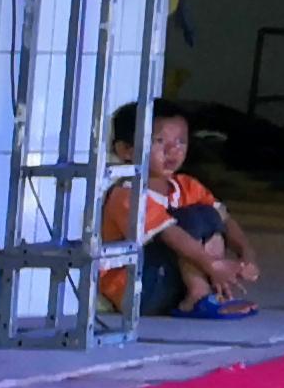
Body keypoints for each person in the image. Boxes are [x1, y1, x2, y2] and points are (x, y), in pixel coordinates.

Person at [99, 100, 260, 318]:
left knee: (208, 214)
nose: (173, 150)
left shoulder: (187, 185)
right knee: (190, 218)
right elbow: (170, 234)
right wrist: (214, 265)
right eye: (159, 141)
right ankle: (198, 297)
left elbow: (225, 220)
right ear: (126, 150)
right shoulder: (128, 193)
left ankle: (209, 295)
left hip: (170, 285)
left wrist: (247, 255)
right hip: (139, 290)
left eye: (181, 141)